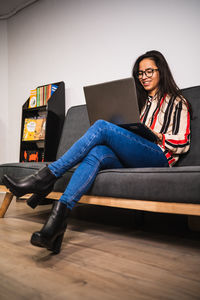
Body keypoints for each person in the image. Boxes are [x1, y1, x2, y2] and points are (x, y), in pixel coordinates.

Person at [3, 50, 191, 254]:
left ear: (161, 71)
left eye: (149, 71)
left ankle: (44, 178)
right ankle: (57, 224)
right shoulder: (143, 104)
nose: (144, 76)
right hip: (136, 157)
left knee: (102, 126)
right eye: (140, 73)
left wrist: (155, 134)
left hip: (159, 158)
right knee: (98, 152)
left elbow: (182, 142)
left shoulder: (177, 101)